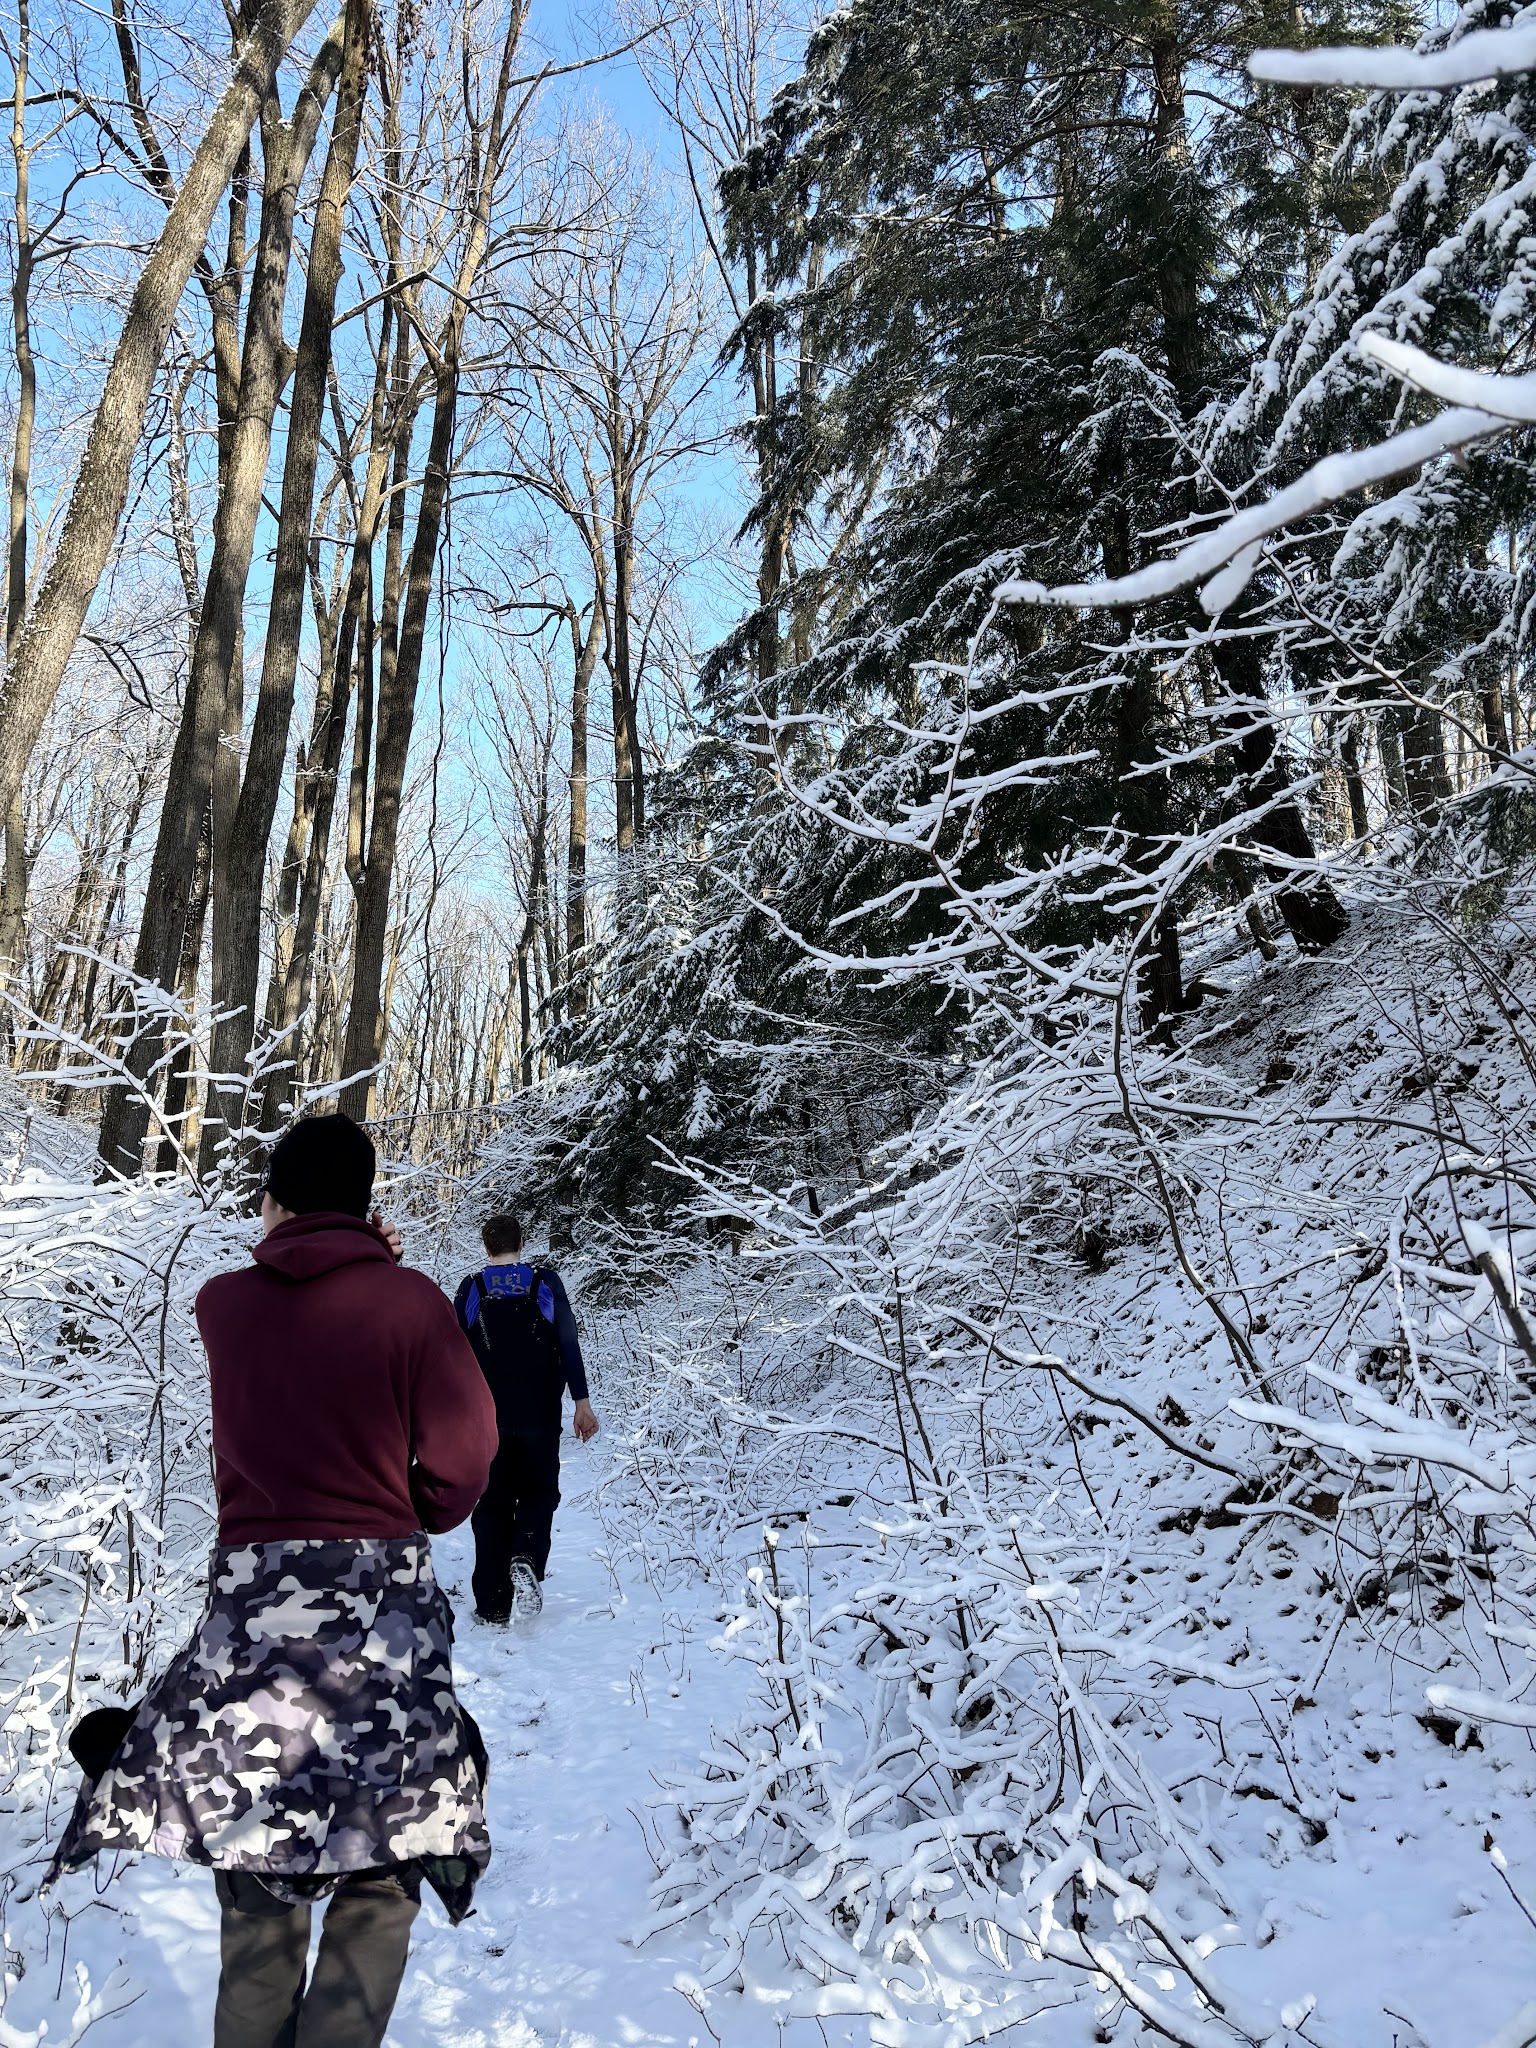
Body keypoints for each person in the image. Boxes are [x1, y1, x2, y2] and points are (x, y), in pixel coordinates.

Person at [47, 1112, 498, 2048]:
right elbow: (466, 1453)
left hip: (253, 1616)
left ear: (274, 1201)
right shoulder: (411, 1300)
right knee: (380, 1871)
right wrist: (416, 1500)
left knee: (258, 1882)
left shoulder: (223, 1303)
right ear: (368, 1207)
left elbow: (292, 1305)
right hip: (382, 1616)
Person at [453, 1213, 598, 1622]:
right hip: (539, 1413)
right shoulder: (544, 1283)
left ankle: (493, 1605)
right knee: (538, 1493)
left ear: (486, 1248)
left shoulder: (471, 1288)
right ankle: (527, 1558)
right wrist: (581, 1401)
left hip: (486, 1419)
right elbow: (567, 1339)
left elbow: (452, 1354)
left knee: (492, 1503)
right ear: (523, 1242)